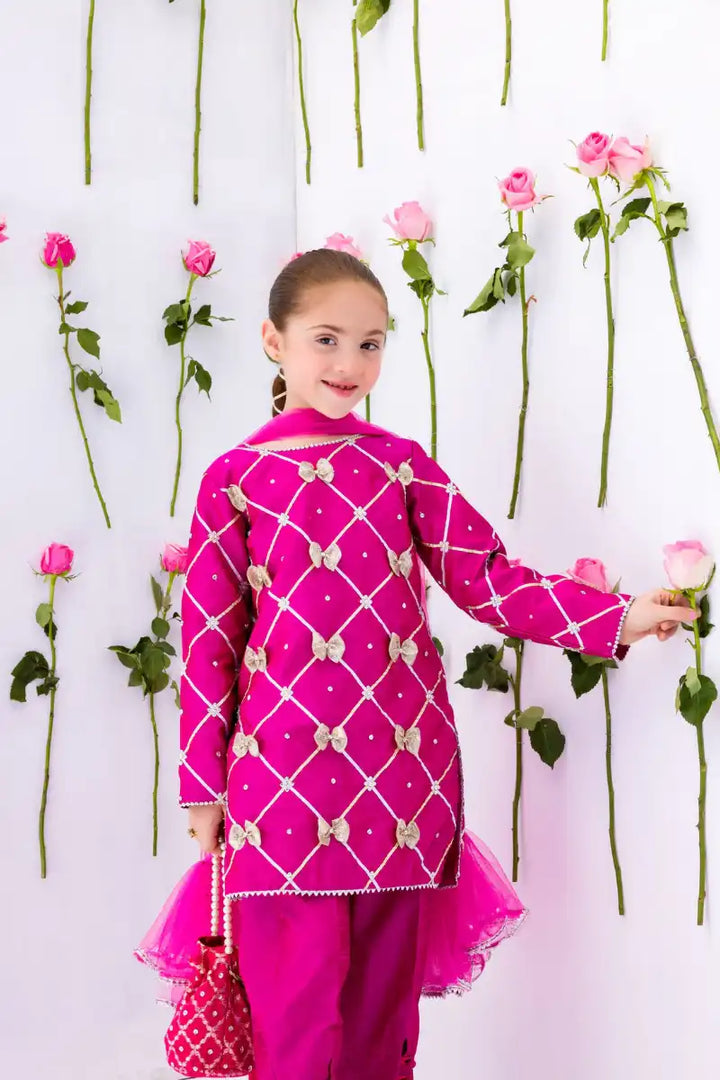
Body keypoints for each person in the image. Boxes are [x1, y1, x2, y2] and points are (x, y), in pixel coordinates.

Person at [179, 248, 695, 1080]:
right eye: (326, 339)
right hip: (279, 785)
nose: (350, 363)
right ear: (275, 342)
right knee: (294, 1021)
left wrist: (618, 618)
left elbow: (488, 580)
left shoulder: (401, 465)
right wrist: (202, 785)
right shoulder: (235, 479)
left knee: (381, 1024)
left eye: (371, 343)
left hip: (402, 780)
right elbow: (209, 641)